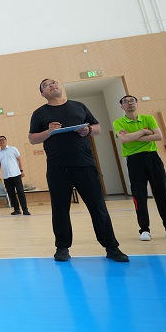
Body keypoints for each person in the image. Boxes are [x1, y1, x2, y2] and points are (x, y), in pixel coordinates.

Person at [28, 79, 129, 263]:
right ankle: (62, 248)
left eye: (54, 82)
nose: (52, 85)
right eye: (46, 85)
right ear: (42, 93)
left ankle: (111, 247)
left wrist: (88, 129)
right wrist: (48, 131)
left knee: (98, 207)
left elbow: (97, 128)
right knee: (60, 210)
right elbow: (32, 138)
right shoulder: (40, 113)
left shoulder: (79, 106)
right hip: (57, 168)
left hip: (85, 165)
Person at [113, 95, 166, 241]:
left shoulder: (148, 118)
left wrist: (134, 137)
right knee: (139, 195)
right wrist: (144, 132)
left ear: (137, 104)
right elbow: (125, 139)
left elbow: (158, 137)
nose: (129, 103)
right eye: (125, 102)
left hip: (153, 158)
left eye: (132, 101)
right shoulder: (119, 122)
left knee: (162, 193)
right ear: (122, 106)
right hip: (134, 160)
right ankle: (144, 230)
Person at [0, 136, 30, 216]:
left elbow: (19, 159)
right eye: (0, 140)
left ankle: (25, 210)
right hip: (6, 176)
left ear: (6, 141)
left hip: (16, 174)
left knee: (20, 192)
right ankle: (16, 209)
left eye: (3, 140)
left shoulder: (13, 149)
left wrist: (21, 170)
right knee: (11, 193)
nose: (2, 141)